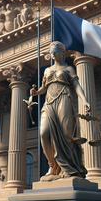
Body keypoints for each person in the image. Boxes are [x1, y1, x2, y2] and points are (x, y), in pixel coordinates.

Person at [30, 41, 90, 181]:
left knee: (66, 134)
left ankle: (68, 168)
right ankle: (53, 166)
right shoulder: (47, 70)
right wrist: (36, 92)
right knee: (44, 133)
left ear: (62, 53)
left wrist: (84, 100)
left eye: (55, 51)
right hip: (49, 101)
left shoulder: (69, 69)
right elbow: (44, 88)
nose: (53, 54)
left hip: (64, 98)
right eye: (51, 52)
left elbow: (76, 86)